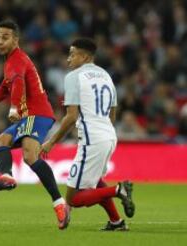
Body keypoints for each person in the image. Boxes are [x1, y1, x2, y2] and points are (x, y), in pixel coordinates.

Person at [0, 19, 68, 229]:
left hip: (37, 114)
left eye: (5, 38)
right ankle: (7, 176)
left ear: (16, 40)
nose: (0, 42)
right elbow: (2, 91)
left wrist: (13, 108)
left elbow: (17, 82)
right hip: (28, 115)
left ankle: (59, 204)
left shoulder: (17, 60)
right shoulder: (10, 61)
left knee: (29, 155)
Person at [41, 38, 135, 230]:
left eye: (72, 54)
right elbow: (113, 113)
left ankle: (119, 190)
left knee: (74, 198)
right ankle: (116, 222)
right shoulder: (106, 76)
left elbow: (70, 116)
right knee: (97, 181)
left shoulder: (74, 77)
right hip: (109, 136)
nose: (68, 59)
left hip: (93, 139)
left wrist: (51, 142)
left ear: (84, 57)